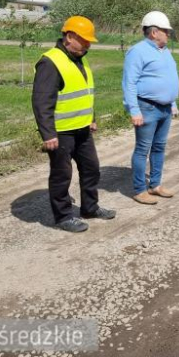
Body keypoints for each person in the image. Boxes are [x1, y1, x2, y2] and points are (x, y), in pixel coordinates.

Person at [32, 16, 116, 232]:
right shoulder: (50, 62)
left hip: (82, 129)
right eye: (85, 40)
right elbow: (42, 101)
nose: (88, 45)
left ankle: (90, 208)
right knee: (62, 175)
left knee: (92, 169)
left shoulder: (80, 57)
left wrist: (92, 118)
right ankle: (63, 217)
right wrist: (48, 134)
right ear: (69, 37)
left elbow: (85, 92)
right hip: (61, 133)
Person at [122, 11, 179, 205]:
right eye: (166, 31)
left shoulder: (165, 52)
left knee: (159, 147)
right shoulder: (137, 51)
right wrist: (134, 110)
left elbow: (168, 78)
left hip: (164, 109)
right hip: (146, 107)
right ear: (154, 32)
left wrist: (172, 102)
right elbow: (129, 83)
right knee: (142, 149)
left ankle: (155, 185)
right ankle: (139, 190)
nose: (168, 34)